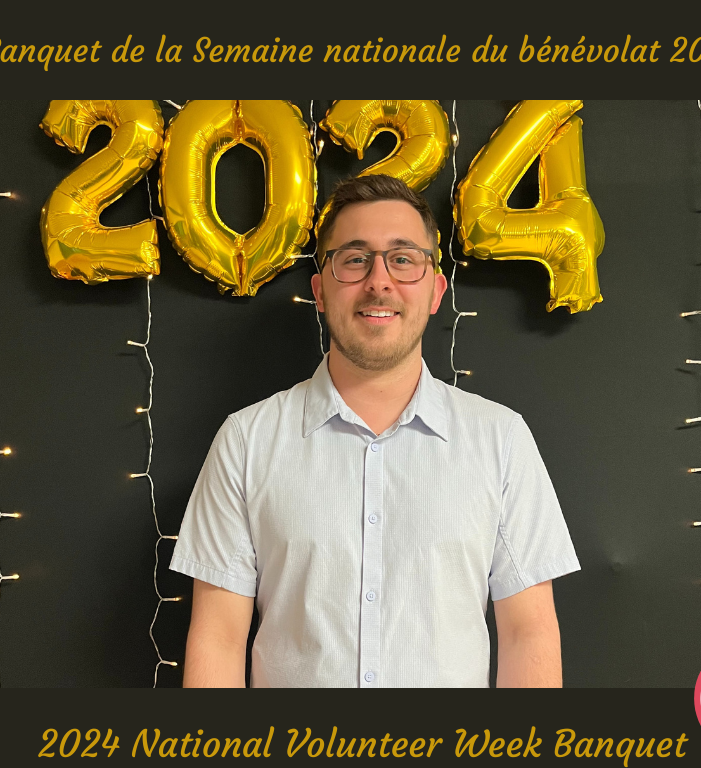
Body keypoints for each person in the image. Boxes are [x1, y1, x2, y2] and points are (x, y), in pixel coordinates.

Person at [171, 174, 580, 688]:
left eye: (403, 259)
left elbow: (529, 635)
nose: (379, 281)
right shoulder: (246, 441)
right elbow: (218, 638)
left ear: (435, 291)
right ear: (320, 291)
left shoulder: (501, 440)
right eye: (355, 258)